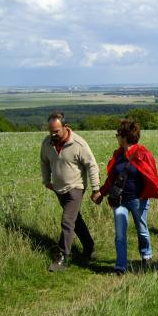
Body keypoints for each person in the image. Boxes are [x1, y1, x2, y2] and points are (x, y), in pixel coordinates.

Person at [96, 119, 158, 274]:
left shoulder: (143, 154)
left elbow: (151, 175)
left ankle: (146, 255)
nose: (116, 137)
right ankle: (120, 266)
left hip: (138, 200)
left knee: (142, 230)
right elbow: (112, 179)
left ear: (124, 136)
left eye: (117, 134)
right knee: (120, 234)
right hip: (119, 201)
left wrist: (146, 195)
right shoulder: (118, 155)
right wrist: (102, 192)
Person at [40, 111, 101, 272]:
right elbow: (44, 162)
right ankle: (89, 247)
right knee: (75, 219)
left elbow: (92, 165)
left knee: (67, 220)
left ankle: (63, 258)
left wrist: (96, 188)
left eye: (56, 131)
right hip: (59, 188)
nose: (53, 134)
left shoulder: (78, 144)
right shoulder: (47, 143)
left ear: (65, 127)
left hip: (76, 187)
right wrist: (47, 181)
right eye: (50, 130)